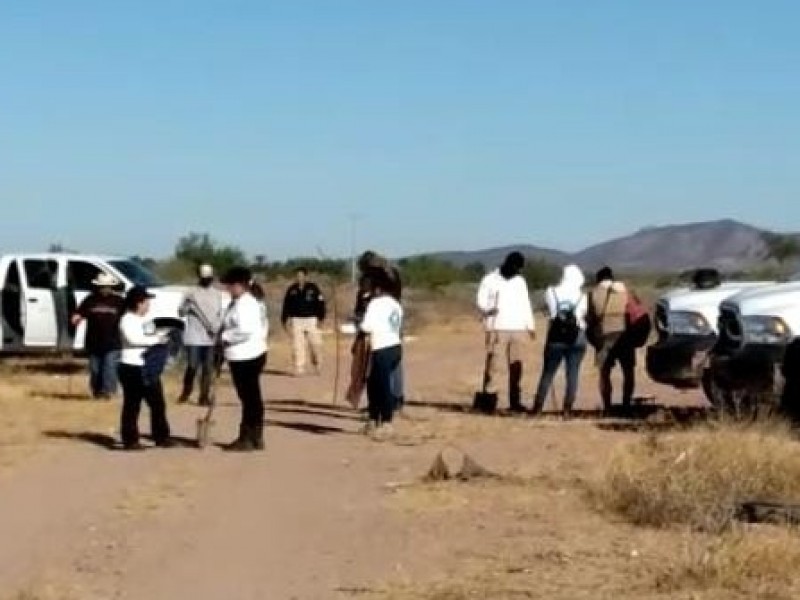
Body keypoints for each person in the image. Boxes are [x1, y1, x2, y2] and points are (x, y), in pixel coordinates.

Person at [476, 252, 536, 413]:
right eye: (516, 268)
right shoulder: (490, 280)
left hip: (517, 327)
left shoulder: (520, 281)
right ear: (508, 264)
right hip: (497, 327)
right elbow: (480, 300)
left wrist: (530, 325)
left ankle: (515, 401)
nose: (518, 272)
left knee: (516, 365)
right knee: (494, 364)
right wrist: (488, 309)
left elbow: (525, 303)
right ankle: (489, 399)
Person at [220, 267, 268, 452]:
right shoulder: (237, 302)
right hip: (241, 355)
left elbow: (245, 330)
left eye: (230, 285)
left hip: (246, 356)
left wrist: (225, 337)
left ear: (239, 285)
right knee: (251, 398)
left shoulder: (246, 304)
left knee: (249, 398)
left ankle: (247, 437)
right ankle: (255, 436)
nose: (228, 289)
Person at [347, 251, 404, 408]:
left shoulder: (386, 276)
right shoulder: (385, 274)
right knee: (375, 366)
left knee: (385, 365)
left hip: (382, 324)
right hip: (380, 321)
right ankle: (379, 401)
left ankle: (393, 398)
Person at [118, 286, 172, 450]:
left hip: (149, 367)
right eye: (146, 302)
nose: (148, 305)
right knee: (132, 405)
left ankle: (161, 437)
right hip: (132, 367)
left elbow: (152, 333)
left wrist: (162, 337)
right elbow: (133, 339)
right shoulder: (126, 320)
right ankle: (130, 440)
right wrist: (156, 340)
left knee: (158, 404)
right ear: (138, 303)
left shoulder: (146, 320)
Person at [531, 265, 589, 418]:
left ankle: (537, 408)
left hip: (555, 336)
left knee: (548, 373)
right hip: (577, 336)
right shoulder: (582, 296)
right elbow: (584, 314)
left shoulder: (551, 292)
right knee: (573, 374)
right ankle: (567, 409)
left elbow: (549, 310)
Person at [360, 270, 403, 439]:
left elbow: (367, 326)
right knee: (375, 384)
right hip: (395, 346)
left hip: (381, 348)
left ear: (377, 289)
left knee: (381, 386)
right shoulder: (396, 304)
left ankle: (386, 421)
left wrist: (358, 323)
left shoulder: (376, 304)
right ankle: (373, 418)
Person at [587, 266, 633, 413]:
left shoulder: (593, 294)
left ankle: (607, 406)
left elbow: (590, 319)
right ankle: (626, 404)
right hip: (624, 335)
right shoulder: (625, 291)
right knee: (628, 371)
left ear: (598, 279)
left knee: (604, 373)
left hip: (603, 335)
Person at [71, 273, 125, 399]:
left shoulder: (119, 301)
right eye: (102, 286)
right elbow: (79, 313)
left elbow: (129, 315)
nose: (104, 288)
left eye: (107, 286)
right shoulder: (90, 300)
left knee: (109, 369)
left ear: (111, 287)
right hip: (93, 341)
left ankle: (109, 393)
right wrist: (76, 317)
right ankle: (97, 392)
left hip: (112, 342)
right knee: (95, 370)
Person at [177, 264, 223, 405]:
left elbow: (219, 314)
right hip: (194, 337)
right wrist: (187, 305)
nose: (207, 280)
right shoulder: (191, 293)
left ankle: (204, 397)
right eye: (204, 278)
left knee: (208, 369)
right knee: (192, 366)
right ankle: (186, 391)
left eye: (209, 278)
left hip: (210, 338)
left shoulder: (217, 294)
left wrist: (215, 328)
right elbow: (181, 312)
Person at [281, 267, 326, 376]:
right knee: (297, 345)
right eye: (297, 276)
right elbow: (286, 306)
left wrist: (321, 318)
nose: (299, 278)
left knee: (315, 344)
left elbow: (321, 303)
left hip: (311, 319)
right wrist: (284, 320)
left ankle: (318, 364)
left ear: (306, 276)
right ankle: (299, 367)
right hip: (296, 320)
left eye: (301, 275)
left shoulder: (313, 288)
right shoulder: (291, 289)